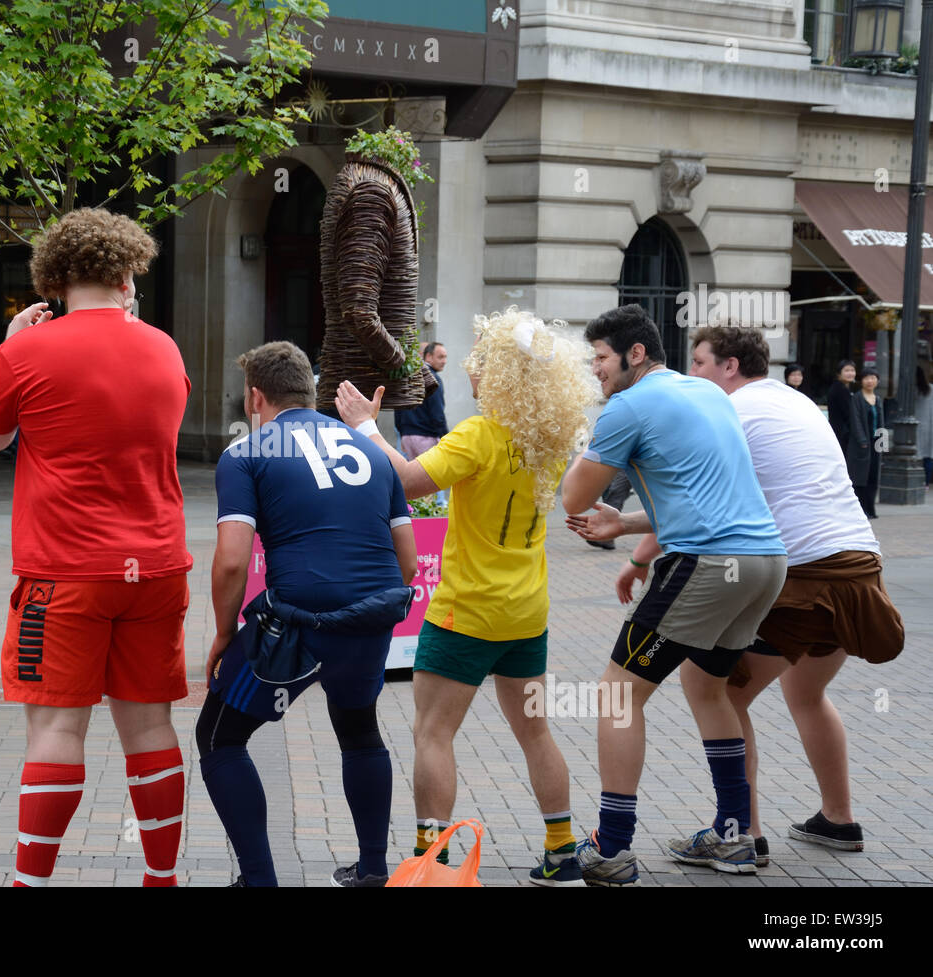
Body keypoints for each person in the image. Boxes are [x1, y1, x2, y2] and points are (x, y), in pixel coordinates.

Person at [576, 326, 903, 866]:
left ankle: (739, 834)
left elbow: (710, 505)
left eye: (701, 362)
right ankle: (838, 820)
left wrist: (634, 550)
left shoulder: (732, 412)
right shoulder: (793, 401)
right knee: (806, 695)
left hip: (802, 576)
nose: (693, 374)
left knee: (713, 687)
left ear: (729, 367)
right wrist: (635, 539)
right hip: (860, 572)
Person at [337, 307, 599, 887]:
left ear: (502, 375)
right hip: (527, 611)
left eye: (482, 361)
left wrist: (365, 429)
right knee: (535, 731)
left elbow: (405, 481)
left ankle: (431, 862)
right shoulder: (550, 439)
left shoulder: (480, 434)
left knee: (433, 732)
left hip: (467, 610)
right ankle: (562, 852)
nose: (472, 370)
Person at [0, 208, 192, 887]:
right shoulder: (165, 348)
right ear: (127, 274)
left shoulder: (24, 350)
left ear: (54, 279)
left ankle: (30, 882)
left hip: (63, 570)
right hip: (156, 563)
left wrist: (9, 345)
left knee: (57, 729)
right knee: (150, 725)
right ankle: (161, 878)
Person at [560, 303, 786, 884]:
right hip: (766, 561)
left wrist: (576, 435)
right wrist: (628, 525)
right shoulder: (707, 393)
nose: (595, 370)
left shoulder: (627, 406)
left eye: (602, 358)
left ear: (635, 354)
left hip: (707, 563)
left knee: (617, 694)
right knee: (706, 686)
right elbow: (704, 491)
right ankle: (734, 837)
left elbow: (572, 499)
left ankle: (610, 848)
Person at [199, 341, 417, 888]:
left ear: (256, 397)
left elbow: (231, 561)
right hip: (371, 615)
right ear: (311, 391)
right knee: (359, 730)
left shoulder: (245, 453)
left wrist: (225, 634)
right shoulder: (373, 453)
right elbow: (408, 562)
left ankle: (259, 878)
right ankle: (371, 869)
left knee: (219, 739)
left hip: (295, 624)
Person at [394, 342, 448, 460]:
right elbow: (437, 414)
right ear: (428, 356)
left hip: (407, 437)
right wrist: (446, 438)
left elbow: (398, 405)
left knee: (412, 476)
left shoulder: (408, 375)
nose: (444, 361)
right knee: (432, 477)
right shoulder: (432, 379)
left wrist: (403, 432)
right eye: (440, 357)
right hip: (426, 437)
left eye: (445, 357)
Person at [846, 368, 884, 519]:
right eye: (867, 378)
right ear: (861, 381)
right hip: (861, 446)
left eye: (873, 378)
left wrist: (883, 445)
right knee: (861, 477)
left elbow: (882, 422)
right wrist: (862, 440)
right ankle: (861, 510)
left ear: (877, 381)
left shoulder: (878, 399)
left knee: (873, 477)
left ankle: (871, 509)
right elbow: (855, 422)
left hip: (876, 445)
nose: (870, 381)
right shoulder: (857, 398)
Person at [827, 359, 856, 448]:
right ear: (839, 373)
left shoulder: (842, 387)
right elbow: (848, 414)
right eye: (846, 370)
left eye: (852, 370)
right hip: (841, 433)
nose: (850, 373)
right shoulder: (840, 389)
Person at [917, 366, 933, 488]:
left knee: (917, 456)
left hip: (915, 428)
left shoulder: (909, 390)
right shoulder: (930, 389)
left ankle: (918, 482)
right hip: (929, 427)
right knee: (928, 456)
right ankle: (926, 483)